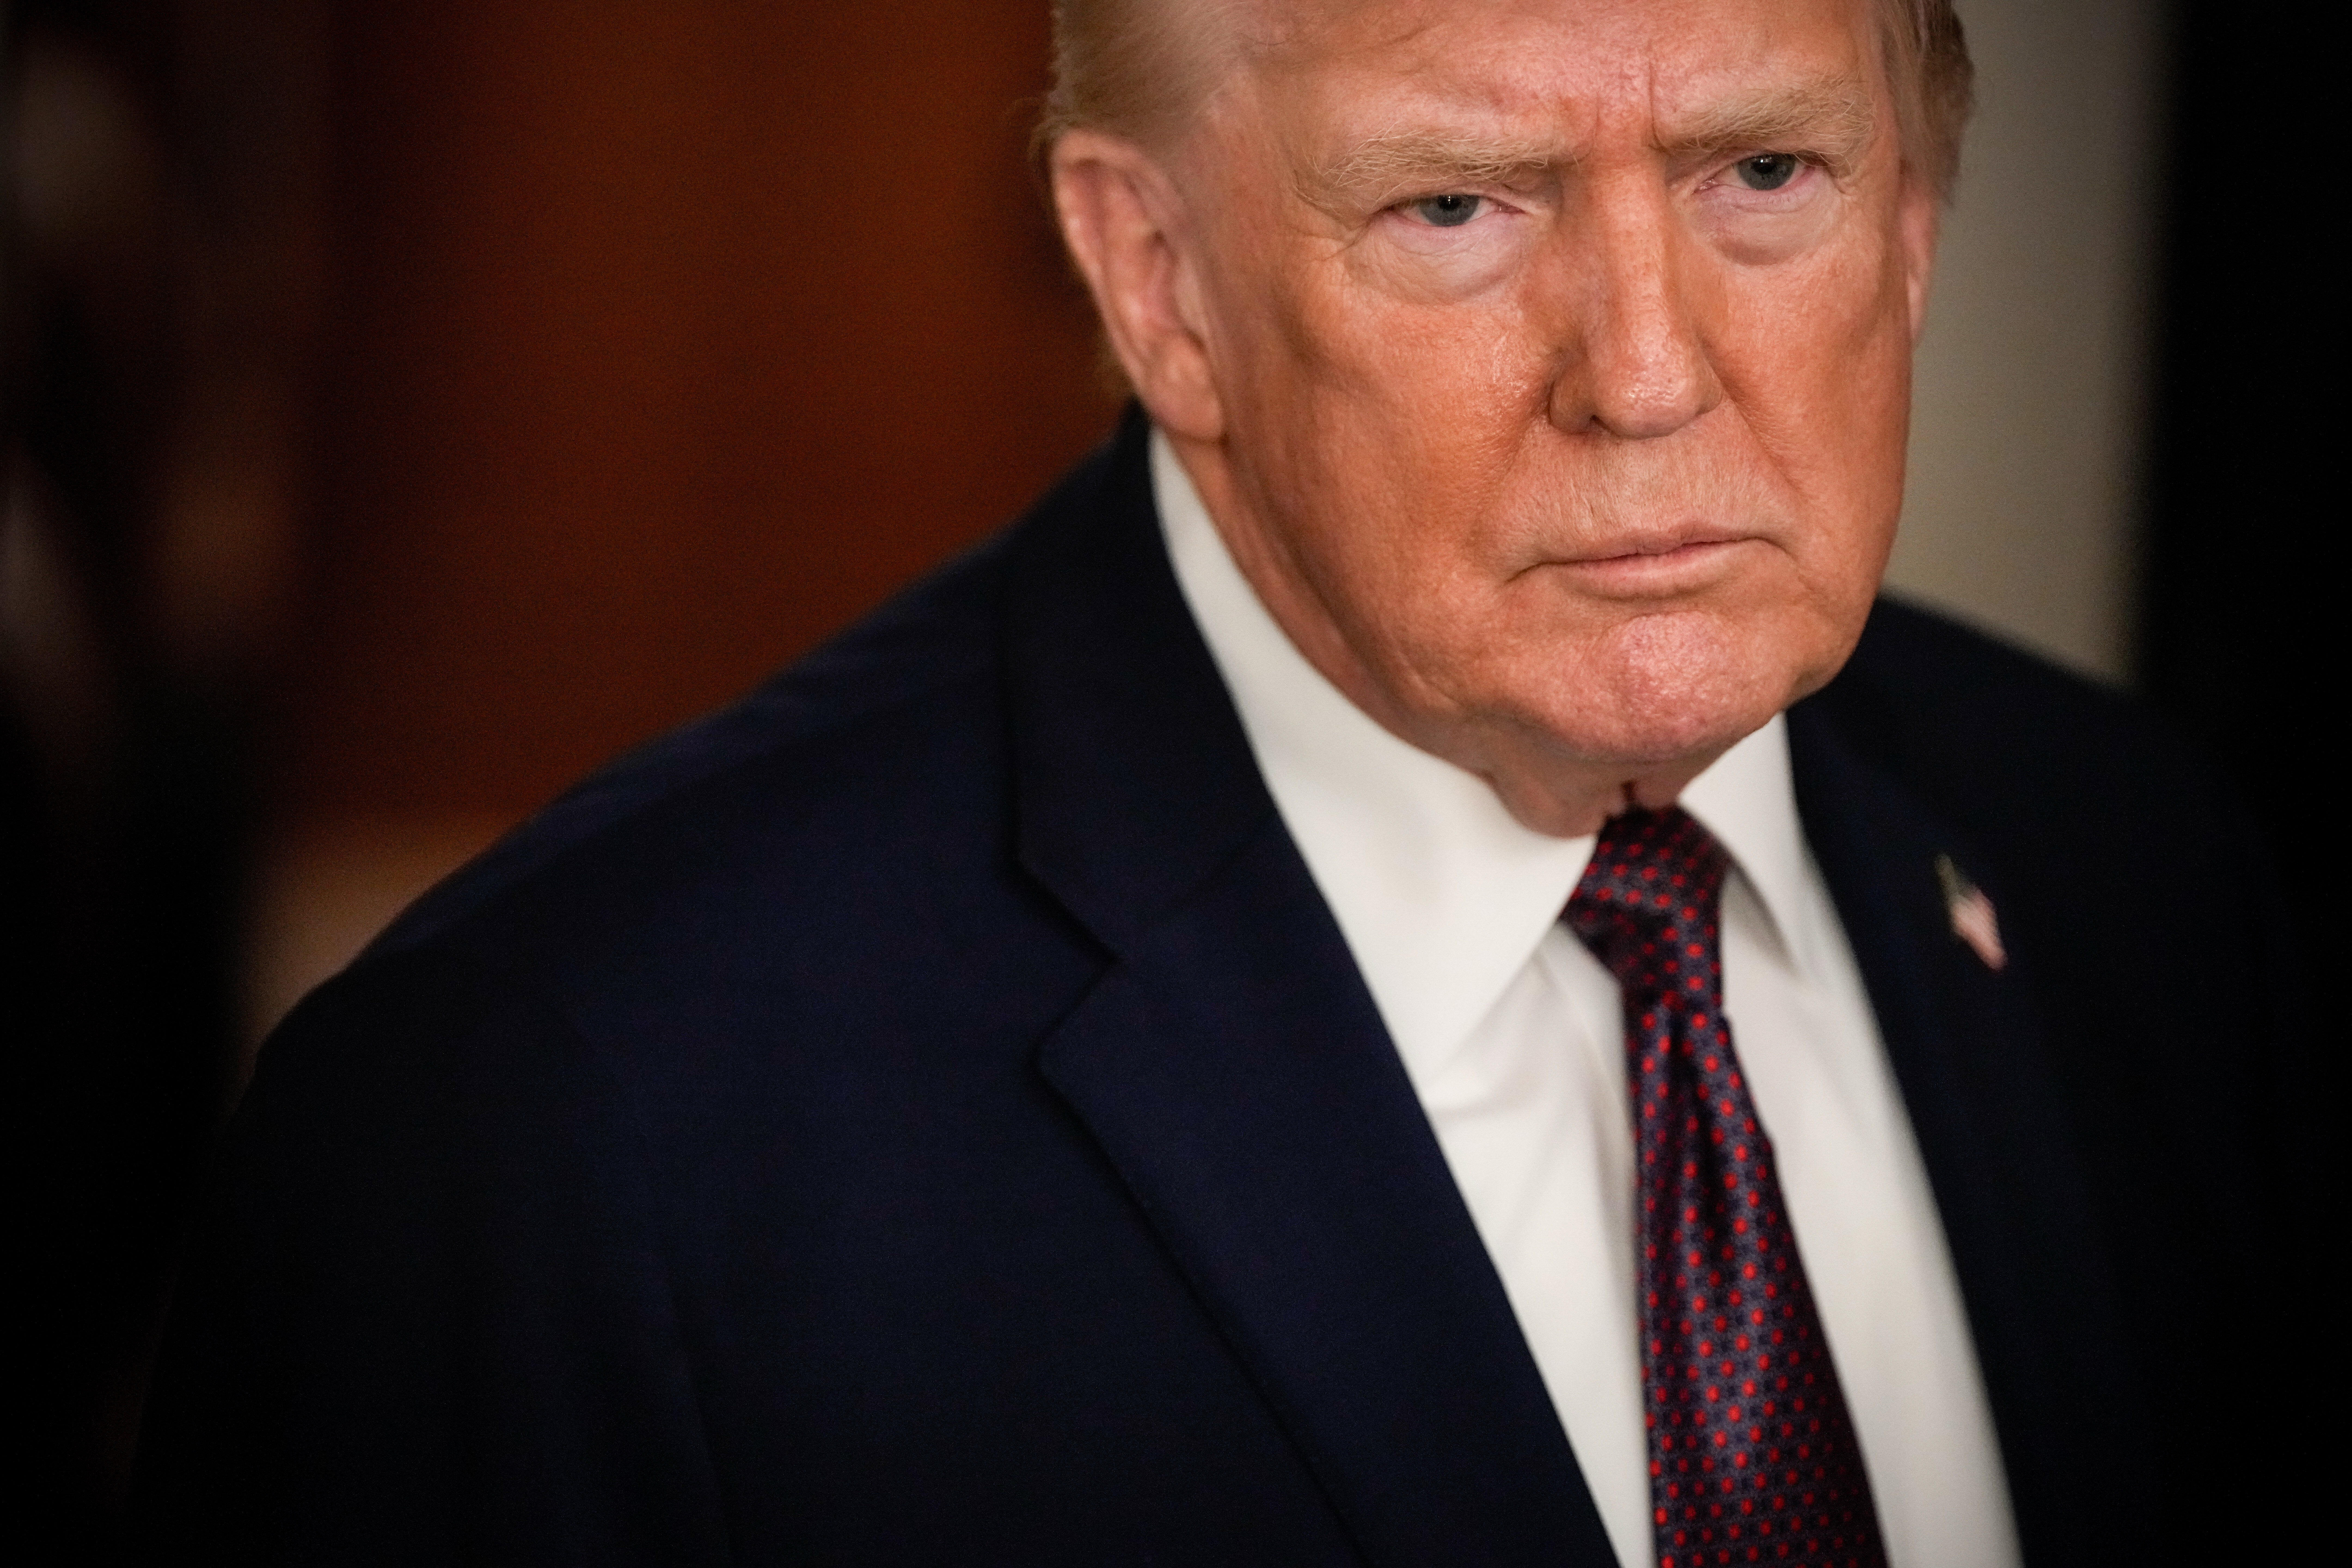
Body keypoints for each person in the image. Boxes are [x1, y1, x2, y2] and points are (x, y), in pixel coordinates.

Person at [131, 2, 2302, 1564]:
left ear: (1916, 220)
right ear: (1155, 283)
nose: (1649, 373)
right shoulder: (550, 1131)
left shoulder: (2143, 868)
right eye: (1458, 204)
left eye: (1766, 174)